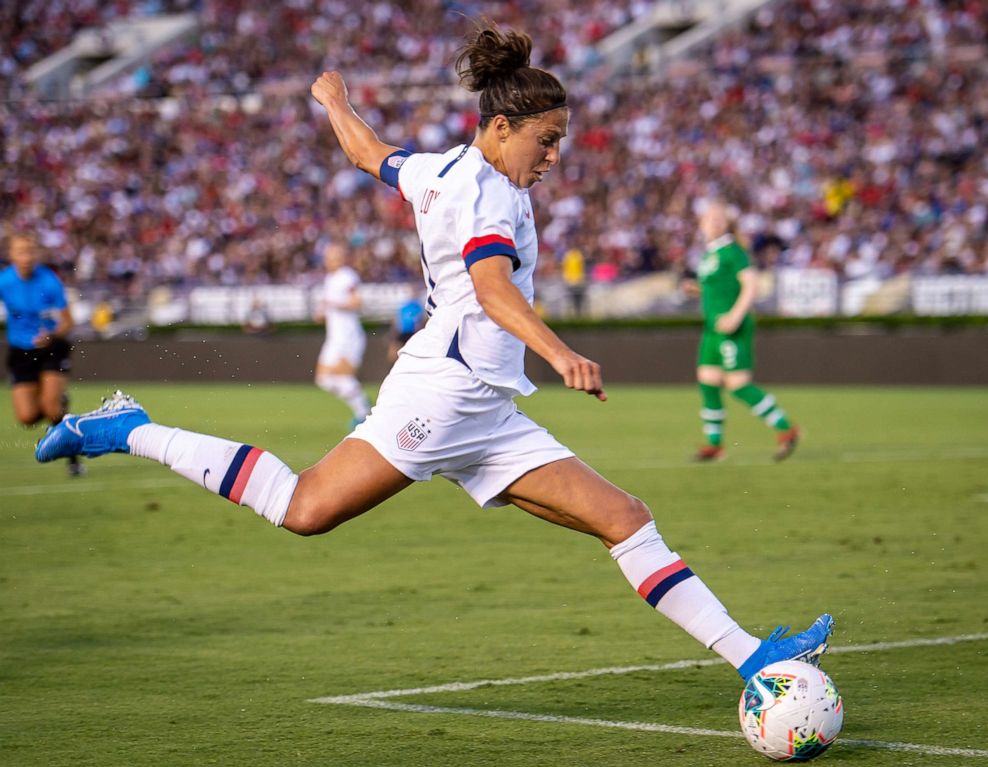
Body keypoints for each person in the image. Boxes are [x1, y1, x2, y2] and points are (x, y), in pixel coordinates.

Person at [35, 23, 831, 681]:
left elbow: (367, 153)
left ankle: (757, 657)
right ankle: (126, 428)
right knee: (304, 508)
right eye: (545, 141)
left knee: (625, 517)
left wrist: (334, 101)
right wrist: (561, 353)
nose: (553, 157)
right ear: (499, 127)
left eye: (561, 143)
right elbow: (491, 289)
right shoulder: (489, 192)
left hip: (485, 405)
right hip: (440, 397)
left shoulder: (439, 170)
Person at [684, 202, 800, 462]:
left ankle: (786, 428)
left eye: (718, 218)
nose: (713, 222)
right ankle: (715, 444)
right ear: (701, 224)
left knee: (737, 384)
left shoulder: (733, 252)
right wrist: (697, 290)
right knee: (708, 381)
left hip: (731, 326)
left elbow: (750, 285)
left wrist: (736, 316)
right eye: (709, 218)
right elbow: (721, 288)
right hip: (713, 328)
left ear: (727, 224)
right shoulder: (709, 254)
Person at [1, 232, 83, 476]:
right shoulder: (4, 281)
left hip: (50, 348)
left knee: (50, 407)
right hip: (20, 352)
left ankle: (73, 457)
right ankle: (61, 408)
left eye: (30, 251)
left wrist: (52, 335)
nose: (26, 257)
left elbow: (68, 322)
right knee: (27, 417)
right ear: (11, 255)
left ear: (36, 254)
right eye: (21, 251)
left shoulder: (49, 282)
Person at [314, 241, 371, 427]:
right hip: (335, 337)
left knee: (342, 377)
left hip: (348, 336)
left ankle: (363, 414)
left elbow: (356, 303)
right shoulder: (330, 279)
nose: (329, 260)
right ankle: (363, 409)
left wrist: (332, 304)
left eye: (333, 256)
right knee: (323, 379)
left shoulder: (347, 276)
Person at [387, 282, 426, 363]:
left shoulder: (418, 306)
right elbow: (397, 320)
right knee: (393, 352)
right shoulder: (404, 306)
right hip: (403, 332)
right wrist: (393, 333)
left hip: (413, 333)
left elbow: (420, 321)